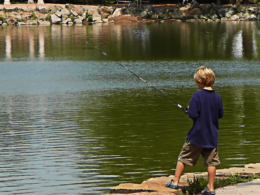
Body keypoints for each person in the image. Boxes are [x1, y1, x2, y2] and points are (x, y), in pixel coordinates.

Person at [165, 66, 224, 195]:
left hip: (197, 136)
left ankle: (175, 182)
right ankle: (211, 188)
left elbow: (192, 116)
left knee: (183, 158)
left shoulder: (197, 95)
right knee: (211, 162)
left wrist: (190, 112)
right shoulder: (217, 97)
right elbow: (220, 116)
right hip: (212, 137)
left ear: (199, 81)